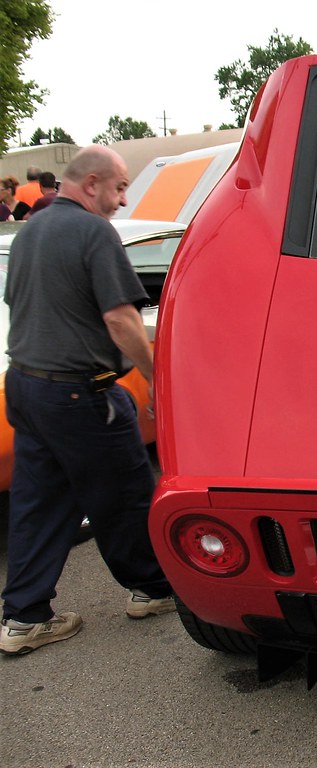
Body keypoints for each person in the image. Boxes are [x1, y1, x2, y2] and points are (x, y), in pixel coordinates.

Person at [0, 145, 175, 656]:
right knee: (127, 493)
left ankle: (24, 617)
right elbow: (121, 319)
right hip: (80, 393)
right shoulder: (94, 231)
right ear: (93, 183)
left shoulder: (29, 230)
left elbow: (19, 302)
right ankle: (153, 589)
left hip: (27, 386)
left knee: (38, 501)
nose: (123, 200)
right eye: (120, 188)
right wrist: (156, 381)